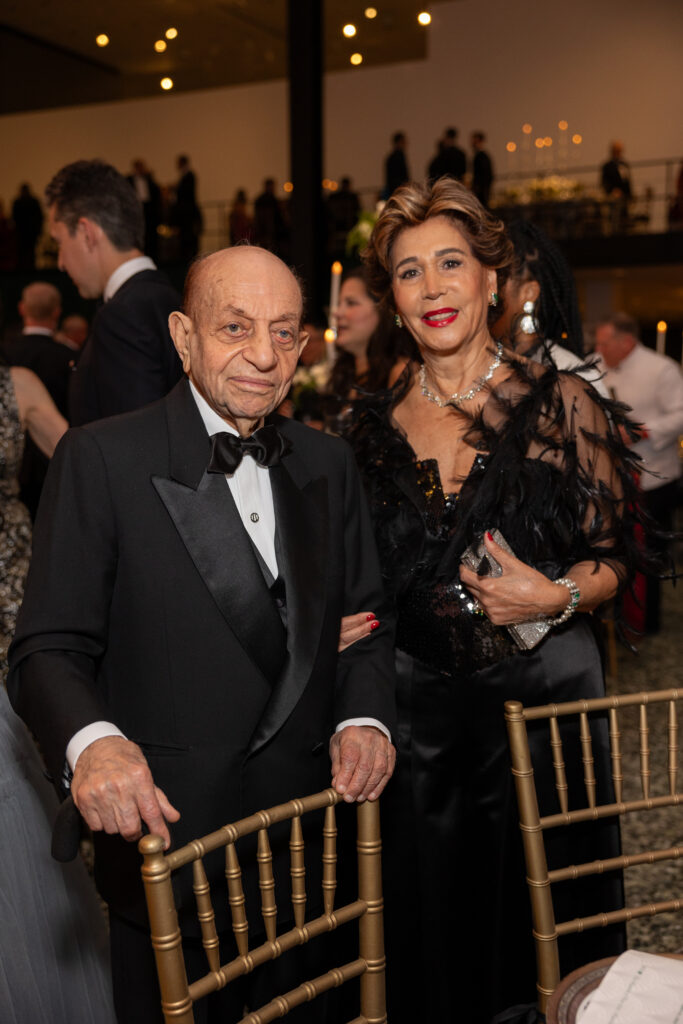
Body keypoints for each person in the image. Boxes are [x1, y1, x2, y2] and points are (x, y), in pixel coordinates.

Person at [8, 244, 396, 1024]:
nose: (263, 355)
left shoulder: (327, 461)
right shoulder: (103, 458)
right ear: (184, 338)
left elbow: (370, 623)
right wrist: (94, 741)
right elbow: (46, 648)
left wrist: (364, 716)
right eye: (235, 327)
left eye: (284, 333)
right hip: (170, 848)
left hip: (308, 844)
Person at [344, 178, 653, 1023]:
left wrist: (550, 594)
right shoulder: (363, 428)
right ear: (394, 299)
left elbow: (616, 562)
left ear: (491, 279)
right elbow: (357, 576)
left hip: (543, 711)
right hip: (416, 725)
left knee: (550, 926)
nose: (433, 287)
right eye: (409, 273)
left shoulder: (565, 404)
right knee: (428, 926)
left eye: (450, 264)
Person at [0, 363, 115, 1023]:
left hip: (20, 594)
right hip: (17, 575)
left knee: (41, 753)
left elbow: (86, 466)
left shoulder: (17, 385)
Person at [45, 159, 182, 426]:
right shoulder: (168, 297)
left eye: (60, 242)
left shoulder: (122, 315)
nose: (60, 262)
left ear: (87, 233)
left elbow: (135, 448)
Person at [595, 312, 683, 634]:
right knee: (615, 548)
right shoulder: (596, 363)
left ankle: (647, 622)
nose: (598, 348)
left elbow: (680, 414)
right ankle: (615, 616)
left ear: (627, 342)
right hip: (611, 475)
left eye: (605, 342)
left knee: (650, 554)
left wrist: (643, 431)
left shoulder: (661, 368)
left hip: (654, 475)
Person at [493, 219, 609, 396]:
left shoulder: (570, 374)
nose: (487, 291)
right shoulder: (478, 363)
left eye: (498, 281)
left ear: (528, 292)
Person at [4, 281, 73, 517]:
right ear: (57, 311)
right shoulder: (67, 356)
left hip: (33, 473)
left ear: (22, 309)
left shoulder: (9, 358)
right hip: (53, 474)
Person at [328, 267, 417, 413]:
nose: (337, 313)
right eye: (339, 304)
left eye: (351, 303)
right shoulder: (345, 372)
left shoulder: (401, 373)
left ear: (381, 311)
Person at [127, 159, 162, 261]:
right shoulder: (129, 180)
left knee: (151, 236)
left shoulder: (149, 180)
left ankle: (153, 258)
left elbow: (156, 195)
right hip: (136, 211)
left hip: (149, 211)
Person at [174, 154, 203, 264]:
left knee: (190, 239)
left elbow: (187, 195)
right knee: (186, 240)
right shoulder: (184, 176)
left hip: (188, 213)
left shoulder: (189, 176)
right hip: (185, 214)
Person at [11, 183, 44, 270]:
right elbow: (15, 218)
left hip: (30, 233)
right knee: (23, 253)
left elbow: (39, 217)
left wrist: (38, 230)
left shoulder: (31, 202)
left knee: (30, 253)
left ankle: (29, 268)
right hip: (23, 233)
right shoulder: (19, 203)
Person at [384, 132, 410, 198]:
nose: (405, 143)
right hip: (399, 190)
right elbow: (400, 176)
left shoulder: (392, 157)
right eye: (404, 141)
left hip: (396, 189)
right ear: (399, 142)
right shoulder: (398, 156)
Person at [471, 130, 494, 207]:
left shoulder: (481, 156)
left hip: (481, 190)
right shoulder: (481, 155)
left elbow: (485, 174)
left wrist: (478, 187)